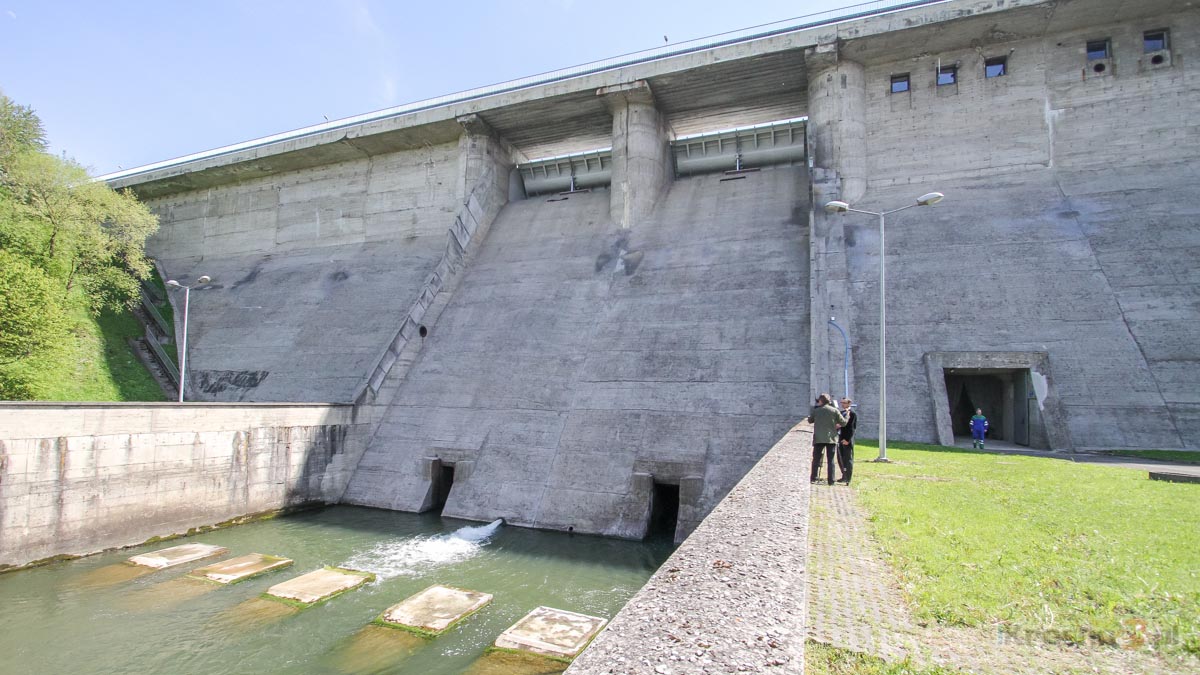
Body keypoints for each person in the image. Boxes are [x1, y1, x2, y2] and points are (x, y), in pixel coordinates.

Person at [808, 393, 846, 485]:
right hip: (831, 439)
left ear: (821, 401)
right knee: (831, 460)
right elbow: (843, 423)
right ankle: (831, 480)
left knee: (816, 459)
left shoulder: (817, 410)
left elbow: (810, 420)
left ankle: (813, 477)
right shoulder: (835, 410)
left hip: (819, 438)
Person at [836, 398, 857, 485]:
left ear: (849, 404)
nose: (842, 404)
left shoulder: (852, 414)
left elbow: (852, 428)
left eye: (844, 403)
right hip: (840, 437)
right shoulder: (841, 413)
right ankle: (843, 475)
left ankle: (848, 477)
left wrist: (848, 439)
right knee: (841, 458)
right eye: (842, 403)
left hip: (846, 439)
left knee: (847, 458)